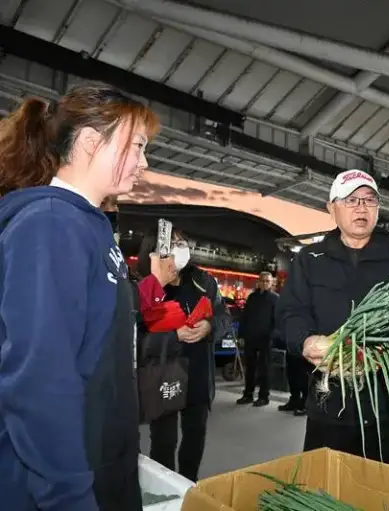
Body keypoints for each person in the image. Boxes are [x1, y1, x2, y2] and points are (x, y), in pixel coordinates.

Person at [0, 84, 158, 510]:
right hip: (64, 484)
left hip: (104, 461)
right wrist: (68, 496)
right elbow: (40, 380)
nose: (144, 162)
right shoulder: (50, 225)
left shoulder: (91, 227)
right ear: (91, 140)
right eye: (138, 145)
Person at [279, 169, 389, 467]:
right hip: (330, 401)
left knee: (387, 493)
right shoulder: (310, 259)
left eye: (369, 200)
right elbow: (292, 312)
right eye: (351, 200)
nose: (361, 208)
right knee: (326, 490)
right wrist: (306, 341)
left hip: (388, 405)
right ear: (332, 208)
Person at [136, 228, 231, 482]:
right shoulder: (145, 288)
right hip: (162, 377)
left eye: (182, 242)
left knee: (194, 438)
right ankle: (165, 492)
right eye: (173, 243)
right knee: (163, 444)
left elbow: (224, 318)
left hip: (198, 376)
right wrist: (173, 337)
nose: (180, 247)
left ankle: (189, 488)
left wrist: (211, 327)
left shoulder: (204, 281)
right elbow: (137, 340)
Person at [237, 271, 279, 407]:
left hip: (266, 339)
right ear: (258, 282)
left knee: (264, 368)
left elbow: (278, 320)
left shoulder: (276, 299)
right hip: (250, 337)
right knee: (250, 367)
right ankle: (248, 394)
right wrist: (241, 335)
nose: (265, 283)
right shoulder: (252, 297)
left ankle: (263, 396)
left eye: (268, 281)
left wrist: (272, 335)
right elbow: (244, 317)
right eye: (263, 280)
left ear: (272, 283)